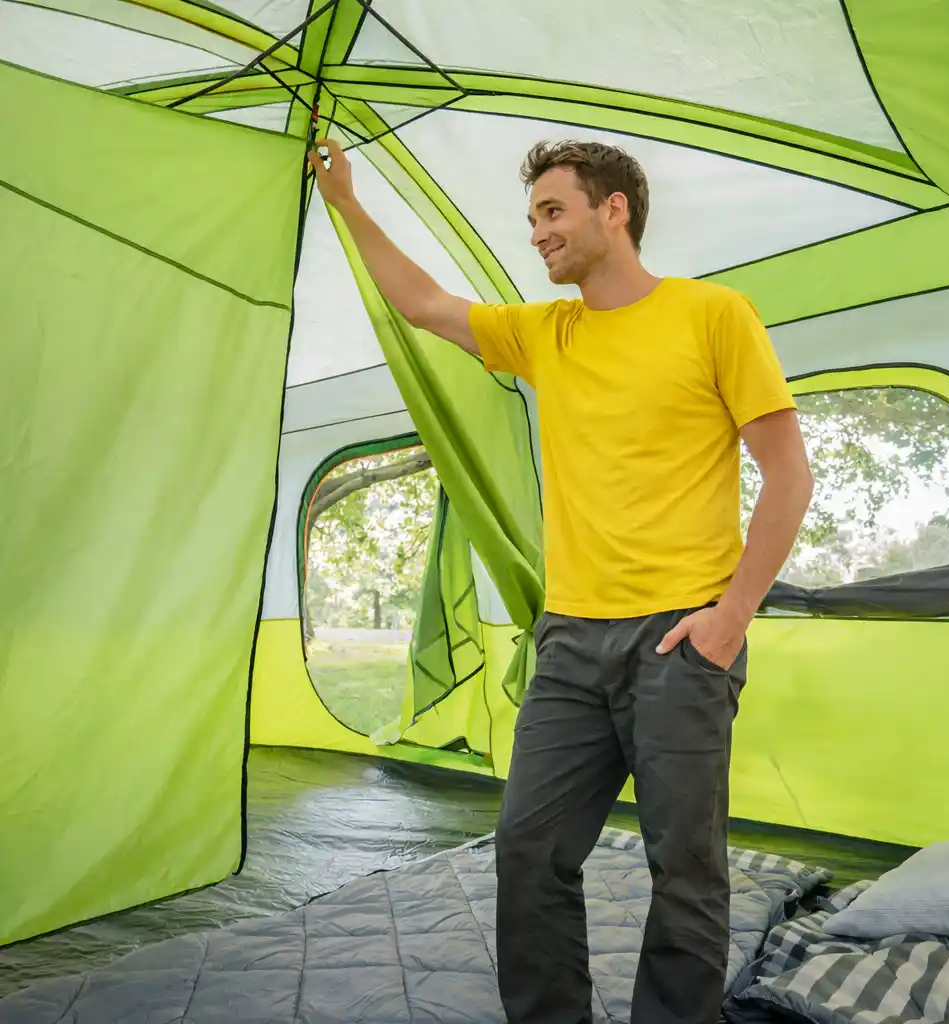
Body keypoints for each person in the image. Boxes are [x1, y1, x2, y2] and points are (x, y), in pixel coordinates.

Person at [308, 136, 813, 1024]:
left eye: (552, 212)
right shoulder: (547, 333)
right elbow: (425, 303)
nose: (537, 233)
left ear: (612, 210)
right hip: (572, 641)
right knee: (528, 847)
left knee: (685, 869)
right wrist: (348, 203)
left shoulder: (714, 315)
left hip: (680, 638)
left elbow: (788, 473)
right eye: (533, 217)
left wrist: (728, 621)